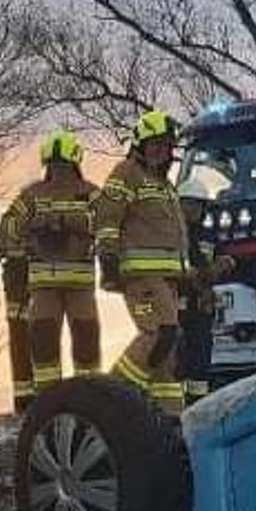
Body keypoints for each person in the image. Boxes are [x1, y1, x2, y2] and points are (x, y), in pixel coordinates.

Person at [0, 130, 101, 413]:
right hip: (43, 286)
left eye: (62, 165)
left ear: (74, 162)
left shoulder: (91, 193)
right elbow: (9, 224)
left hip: (80, 286)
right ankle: (48, 406)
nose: (58, 170)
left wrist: (64, 221)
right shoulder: (33, 194)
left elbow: (109, 223)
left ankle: (91, 403)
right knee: (44, 344)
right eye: (54, 165)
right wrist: (32, 231)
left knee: (86, 345)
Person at [93, 110, 190, 414]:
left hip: (168, 280)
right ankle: (110, 398)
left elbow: (175, 235)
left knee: (169, 352)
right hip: (142, 279)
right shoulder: (126, 173)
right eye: (154, 144)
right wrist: (107, 256)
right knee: (158, 333)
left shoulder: (165, 186)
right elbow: (107, 217)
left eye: (166, 145)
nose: (161, 150)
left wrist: (189, 273)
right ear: (140, 145)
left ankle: (170, 418)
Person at [175, 170, 234, 402]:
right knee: (176, 361)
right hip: (177, 309)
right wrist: (195, 275)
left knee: (200, 363)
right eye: (188, 204)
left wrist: (224, 264)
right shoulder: (172, 235)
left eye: (198, 205)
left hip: (202, 310)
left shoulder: (208, 235)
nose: (193, 210)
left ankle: (197, 403)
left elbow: (225, 257)